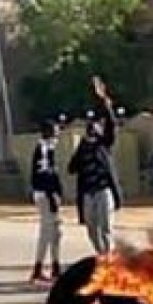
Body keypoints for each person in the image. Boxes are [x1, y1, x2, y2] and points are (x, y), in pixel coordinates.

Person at [67, 76, 120, 255]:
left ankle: (110, 259)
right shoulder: (83, 147)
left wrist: (104, 101)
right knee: (91, 229)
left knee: (106, 228)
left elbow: (112, 125)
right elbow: (71, 168)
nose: (92, 127)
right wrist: (81, 148)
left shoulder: (103, 145)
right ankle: (101, 255)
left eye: (95, 125)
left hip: (103, 191)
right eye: (89, 125)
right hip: (88, 194)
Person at [28, 119, 63, 284]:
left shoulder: (49, 148)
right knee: (47, 232)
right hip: (45, 194)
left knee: (56, 232)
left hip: (49, 193)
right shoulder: (43, 148)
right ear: (48, 132)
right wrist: (51, 196)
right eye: (55, 131)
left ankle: (56, 267)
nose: (58, 134)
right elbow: (43, 175)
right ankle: (38, 268)